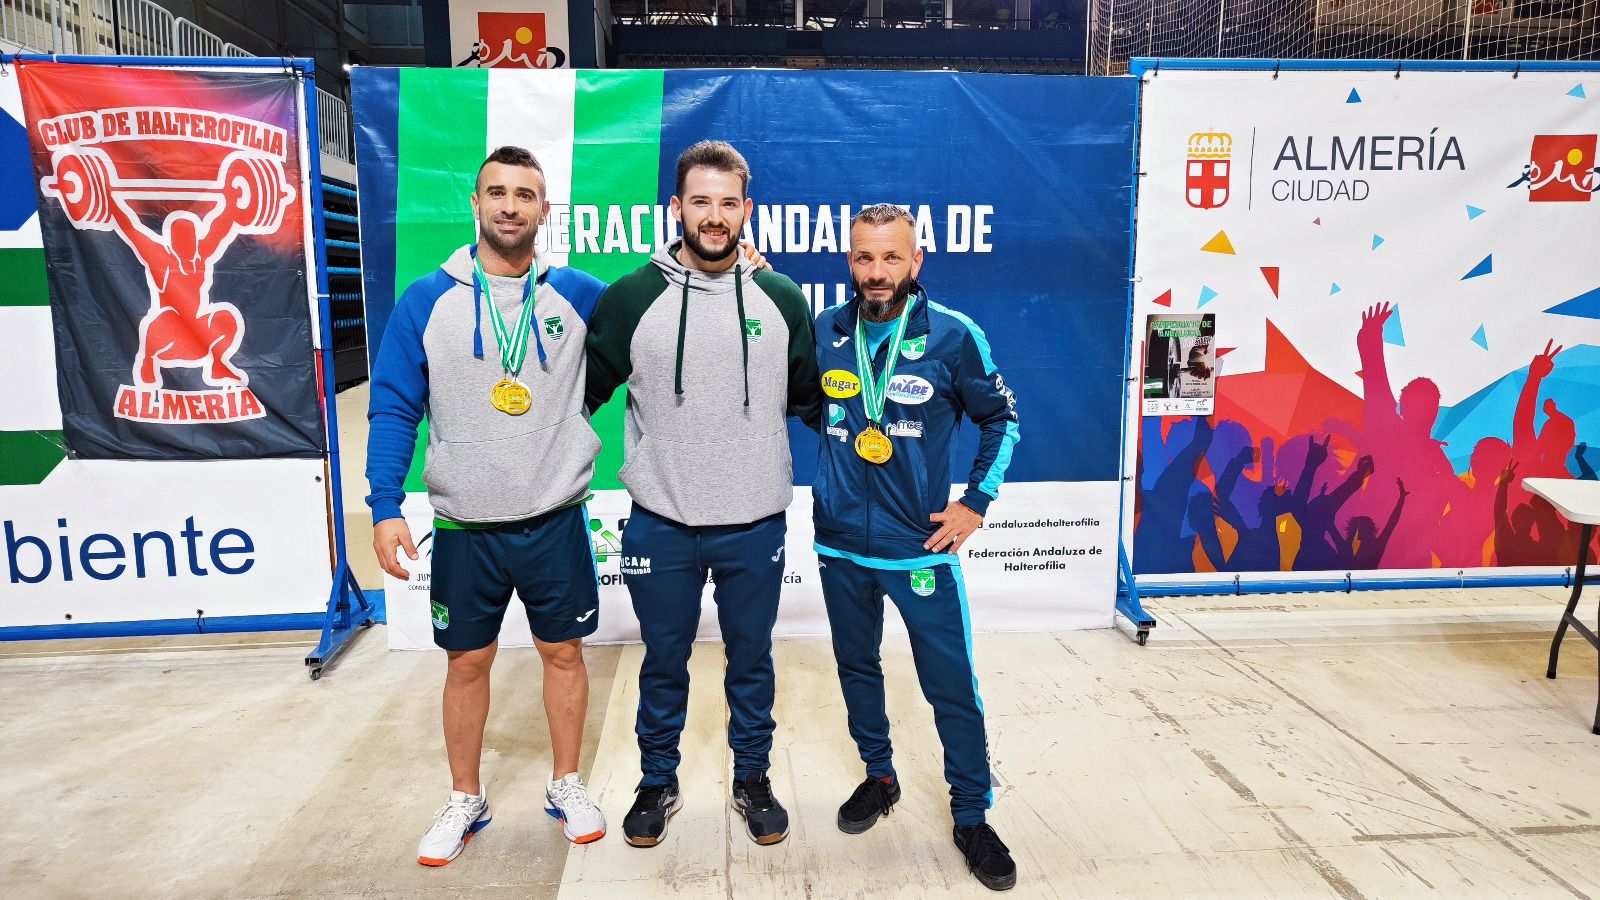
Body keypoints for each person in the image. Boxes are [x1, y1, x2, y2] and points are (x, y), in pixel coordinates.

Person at [366, 146, 609, 865]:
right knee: (466, 662)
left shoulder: (579, 293)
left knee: (562, 654)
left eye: (525, 194)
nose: (510, 205)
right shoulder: (426, 299)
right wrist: (384, 505)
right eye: (497, 192)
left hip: (554, 519)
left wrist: (747, 272)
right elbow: (392, 407)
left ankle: (565, 783)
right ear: (475, 205)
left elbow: (660, 308)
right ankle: (465, 798)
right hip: (466, 526)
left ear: (544, 210)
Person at [585, 140, 821, 848]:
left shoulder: (781, 298)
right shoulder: (632, 298)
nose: (713, 218)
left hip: (755, 522)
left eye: (727, 204)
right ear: (676, 207)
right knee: (663, 661)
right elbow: (579, 396)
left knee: (752, 658)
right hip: (661, 520)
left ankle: (752, 776)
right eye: (700, 202)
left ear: (746, 211)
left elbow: (815, 399)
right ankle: (658, 780)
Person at [811, 203, 1020, 891]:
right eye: (865, 257)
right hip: (841, 544)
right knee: (856, 668)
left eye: (891, 257)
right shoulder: (824, 333)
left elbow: (1003, 422)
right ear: (850, 260)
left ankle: (971, 814)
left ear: (916, 261)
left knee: (951, 688)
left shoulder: (953, 337)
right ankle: (880, 776)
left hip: (920, 549)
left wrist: (975, 503)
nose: (877, 272)